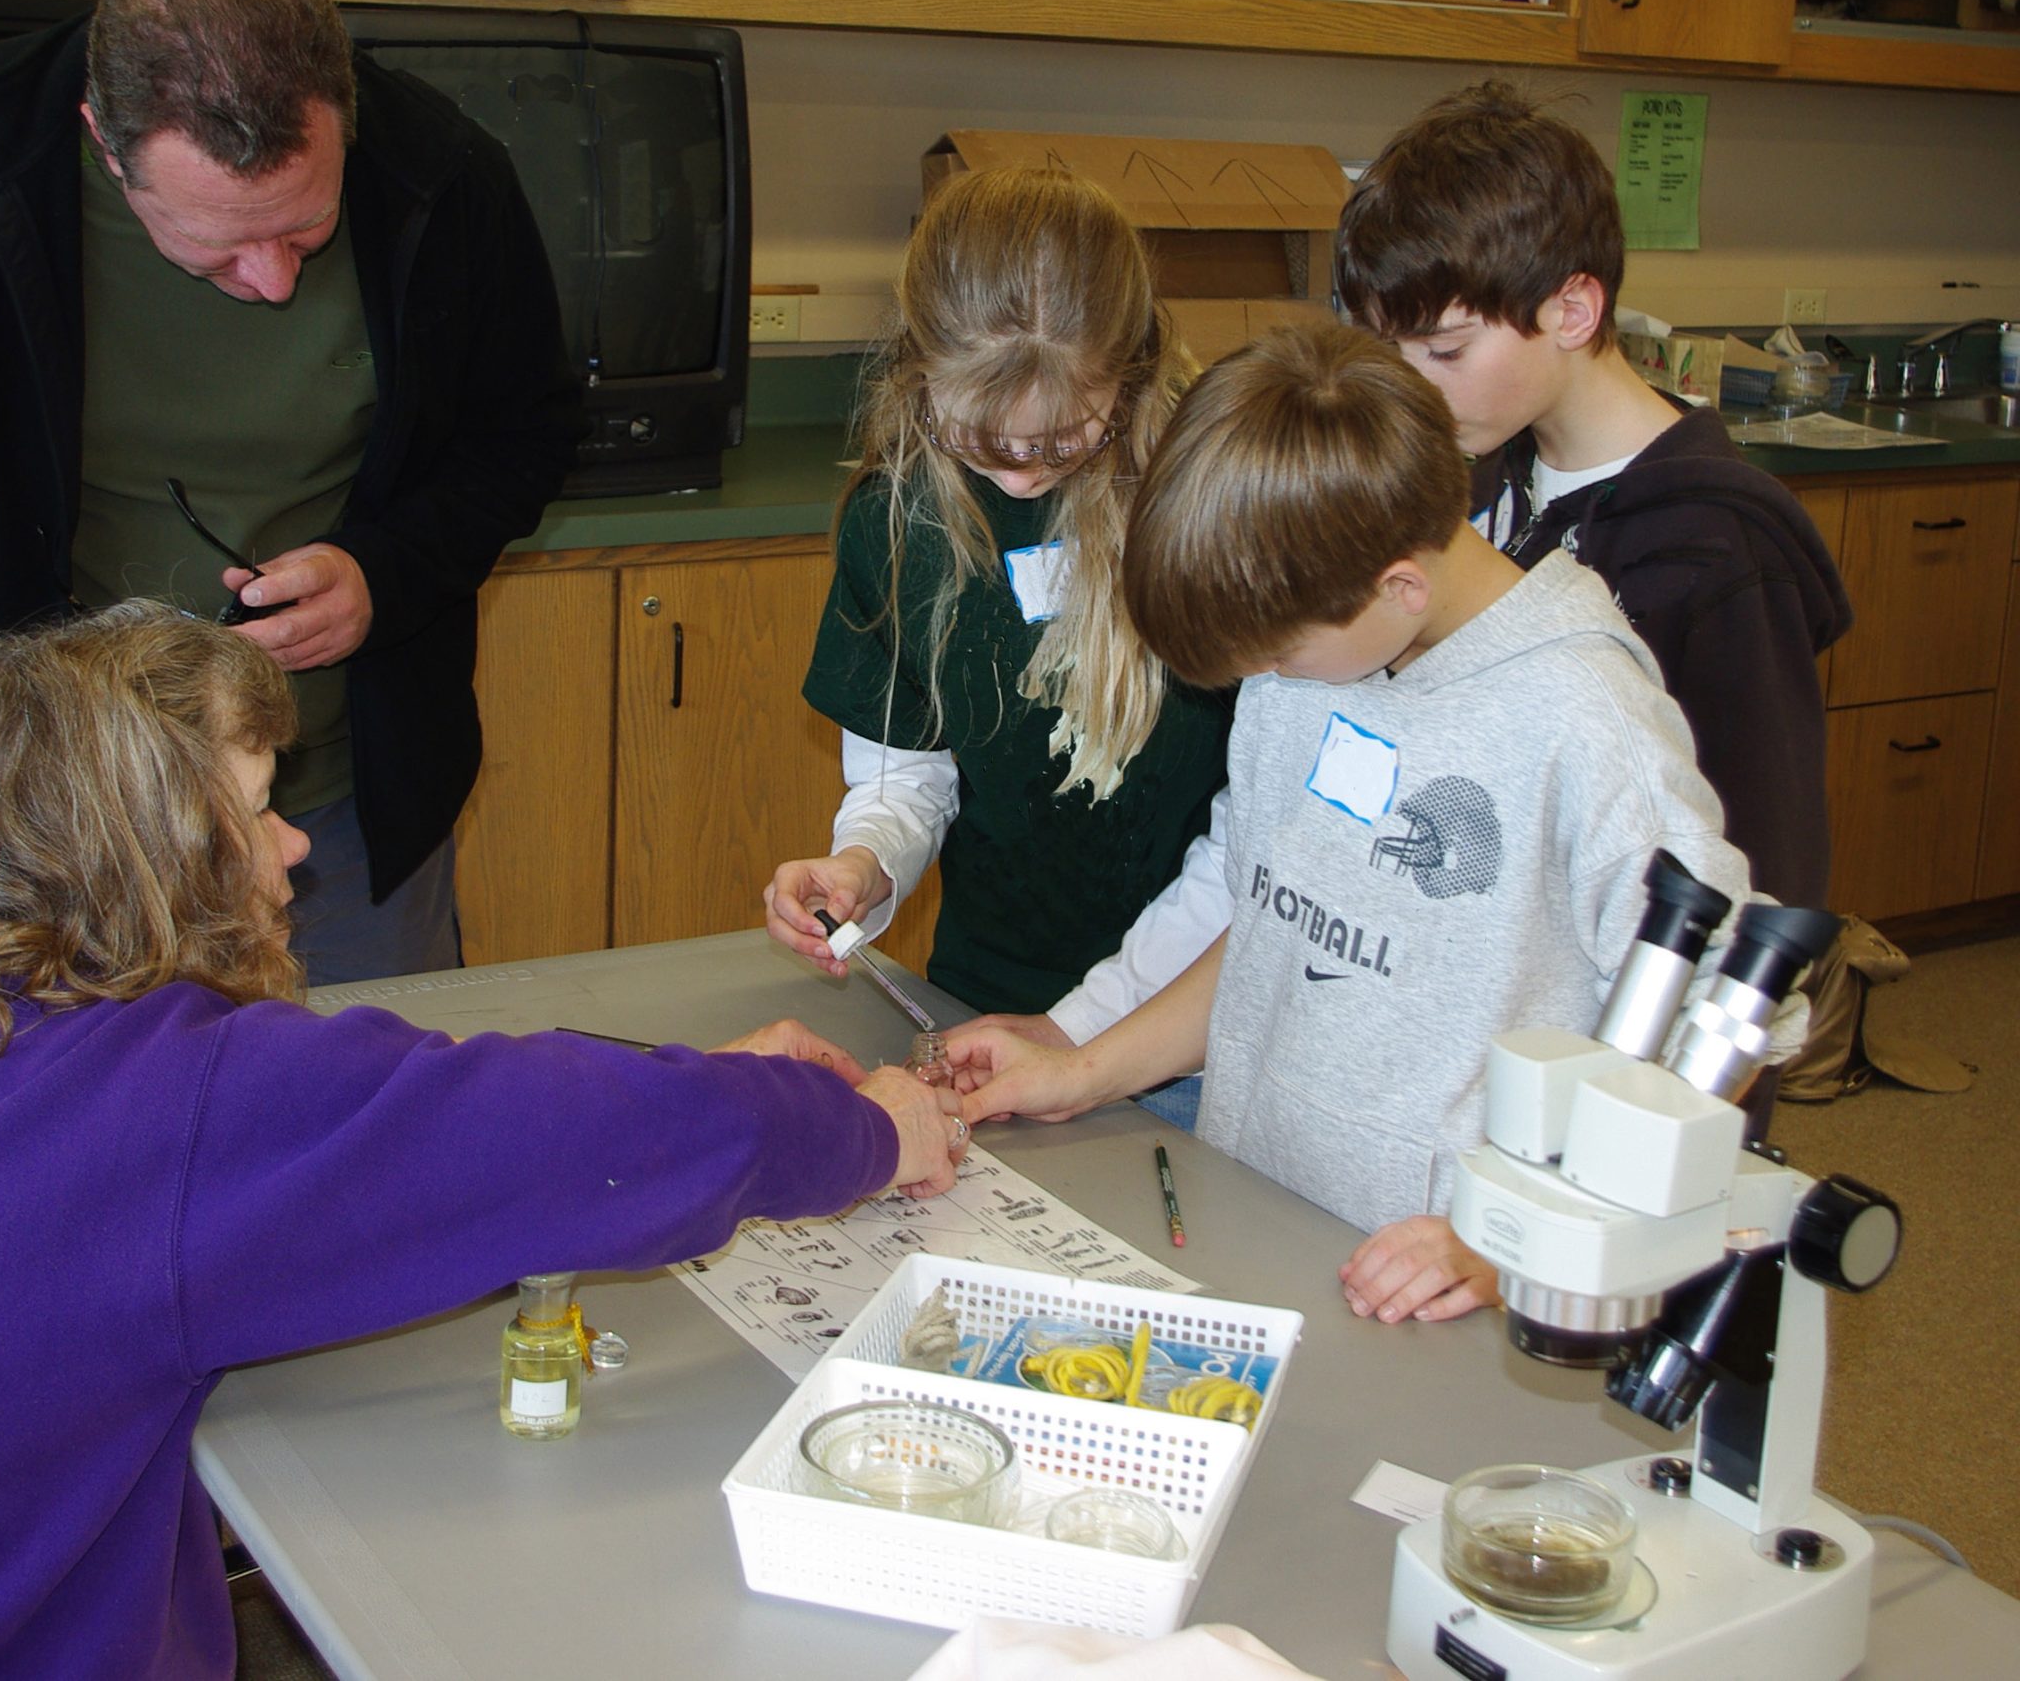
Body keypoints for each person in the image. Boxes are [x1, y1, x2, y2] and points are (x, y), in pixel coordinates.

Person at [0, 601, 965, 1680]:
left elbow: (440, 1120)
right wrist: (863, 1129)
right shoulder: (163, 1100)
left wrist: (690, 1082)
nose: (295, 845)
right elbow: (541, 1143)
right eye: (254, 809)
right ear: (149, 856)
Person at [0, 0, 580, 985]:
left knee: (363, 1126)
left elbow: (526, 430)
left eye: (305, 225)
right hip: (46, 822)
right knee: (78, 1136)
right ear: (106, 142)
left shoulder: (443, 173)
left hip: (335, 801)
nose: (275, 281)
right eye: (221, 241)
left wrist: (388, 572)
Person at [950, 323, 1761, 1329]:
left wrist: (1516, 1237)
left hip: (1433, 1286)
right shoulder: (1316, 639)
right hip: (1263, 1205)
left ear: (1398, 590)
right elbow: (1275, 919)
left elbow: (1725, 1013)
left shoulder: (1584, 718)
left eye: (1282, 656)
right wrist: (1080, 1067)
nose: (1266, 680)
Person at [1332, 80, 1849, 911]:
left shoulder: (1719, 550)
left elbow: (1765, 868)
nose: (1408, 390)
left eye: (1445, 350)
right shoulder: (1477, 469)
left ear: (1573, 310)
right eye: (1385, 351)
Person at [761, 166, 1234, 1037]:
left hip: (1193, 1016)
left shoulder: (1212, 505)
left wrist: (1084, 1034)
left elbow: (1261, 833)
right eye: (979, 436)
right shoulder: (898, 521)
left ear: (1125, 381)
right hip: (986, 1004)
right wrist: (867, 861)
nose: (1019, 471)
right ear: (921, 371)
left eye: (1063, 439)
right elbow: (910, 768)